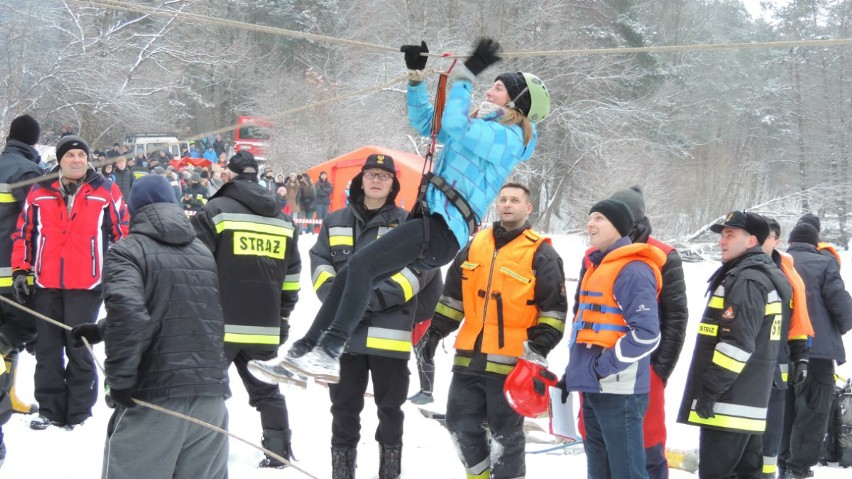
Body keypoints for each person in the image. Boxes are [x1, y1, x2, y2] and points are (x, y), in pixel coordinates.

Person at [249, 37, 550, 384]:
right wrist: (416, 78)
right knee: (350, 274)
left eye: (498, 88)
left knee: (361, 264)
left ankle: (329, 351)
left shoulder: (511, 138)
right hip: (430, 221)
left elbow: (454, 127)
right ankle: (303, 354)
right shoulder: (480, 128)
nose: (490, 91)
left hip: (443, 229)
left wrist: (467, 74)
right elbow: (428, 124)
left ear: (516, 102)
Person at [70, 175, 229, 479]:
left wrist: (121, 381)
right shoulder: (202, 253)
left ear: (133, 209)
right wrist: (102, 330)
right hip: (210, 399)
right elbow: (178, 308)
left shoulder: (126, 250)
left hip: (155, 400)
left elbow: (130, 314)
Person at [292, 154, 438, 479]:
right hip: (345, 341)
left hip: (390, 337)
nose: (376, 180)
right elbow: (319, 262)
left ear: (393, 184)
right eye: (371, 174)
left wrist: (367, 300)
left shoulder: (409, 224)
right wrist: (336, 297)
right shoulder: (334, 220)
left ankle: (389, 474)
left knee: (390, 414)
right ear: (361, 180)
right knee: (343, 413)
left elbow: (419, 273)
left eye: (383, 176)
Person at [419, 183, 566, 479]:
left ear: (528, 208)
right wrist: (435, 332)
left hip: (513, 364)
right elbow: (452, 300)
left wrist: (538, 349)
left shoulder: (542, 253)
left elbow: (554, 311)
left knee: (506, 435)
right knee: (459, 424)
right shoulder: (474, 246)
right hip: (469, 357)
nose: (507, 204)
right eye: (502, 200)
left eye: (515, 200)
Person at [191, 151, 301, 469]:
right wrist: (282, 315)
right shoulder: (283, 220)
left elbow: (196, 265)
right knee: (267, 391)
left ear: (230, 175)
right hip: (264, 325)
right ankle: (279, 450)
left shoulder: (215, 210)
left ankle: (201, 452)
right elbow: (292, 277)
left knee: (207, 393)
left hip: (218, 322)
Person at [11, 135, 129, 430]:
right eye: (70, 155)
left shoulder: (106, 189)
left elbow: (123, 232)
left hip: (87, 284)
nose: (77, 159)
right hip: (46, 282)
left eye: (81, 154)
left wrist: (118, 272)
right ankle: (49, 409)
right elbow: (23, 233)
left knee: (79, 346)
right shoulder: (40, 191)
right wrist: (20, 271)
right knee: (48, 348)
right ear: (60, 162)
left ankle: (79, 411)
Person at [572, 185, 688, 479]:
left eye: (600, 217)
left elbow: (673, 320)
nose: (592, 224)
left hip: (632, 371)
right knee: (598, 456)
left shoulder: (657, 258)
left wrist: (659, 370)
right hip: (596, 376)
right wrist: (581, 367)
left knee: (645, 450)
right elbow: (582, 314)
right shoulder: (594, 257)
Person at [677, 211, 791, 478]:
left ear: (751, 241)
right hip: (745, 406)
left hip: (727, 406)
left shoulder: (747, 280)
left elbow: (737, 345)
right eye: (722, 235)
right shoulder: (756, 275)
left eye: (730, 235)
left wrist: (709, 393)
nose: (722, 241)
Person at [563, 198, 663, 479]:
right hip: (594, 387)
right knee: (600, 471)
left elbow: (646, 334)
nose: (589, 224)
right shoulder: (598, 267)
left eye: (598, 218)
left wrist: (603, 367)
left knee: (626, 473)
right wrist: (574, 373)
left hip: (619, 392)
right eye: (589, 217)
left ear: (618, 226)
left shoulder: (632, 270)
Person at [778, 222, 852, 478]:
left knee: (785, 409)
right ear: (815, 242)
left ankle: (782, 464)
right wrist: (842, 325)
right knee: (812, 412)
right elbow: (840, 303)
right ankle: (798, 469)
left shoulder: (778, 262)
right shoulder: (825, 263)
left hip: (781, 351)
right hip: (817, 352)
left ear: (790, 242)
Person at [759, 218, 813, 479]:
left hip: (778, 372)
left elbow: (798, 319)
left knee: (771, 441)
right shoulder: (741, 269)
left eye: (766, 237)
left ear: (777, 240)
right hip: (746, 372)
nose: (760, 242)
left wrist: (802, 357)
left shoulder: (788, 275)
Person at [0, 115, 43, 430]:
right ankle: (8, 395)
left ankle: (9, 394)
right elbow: (40, 222)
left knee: (9, 339)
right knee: (18, 333)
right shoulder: (26, 172)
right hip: (12, 272)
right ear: (33, 141)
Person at [407, 269, 444, 405]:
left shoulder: (430, 262)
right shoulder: (420, 259)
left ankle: (427, 393)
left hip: (429, 312)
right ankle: (423, 390)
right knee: (418, 352)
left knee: (425, 352)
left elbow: (416, 282)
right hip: (419, 312)